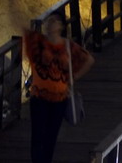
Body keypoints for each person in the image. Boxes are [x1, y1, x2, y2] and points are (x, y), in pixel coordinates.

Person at [22, 13, 94, 163]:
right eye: (48, 21)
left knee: (50, 136)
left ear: (61, 26)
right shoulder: (38, 42)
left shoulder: (67, 46)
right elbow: (23, 28)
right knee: (38, 135)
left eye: (53, 21)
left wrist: (73, 78)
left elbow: (89, 60)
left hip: (59, 98)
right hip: (39, 97)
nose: (49, 24)